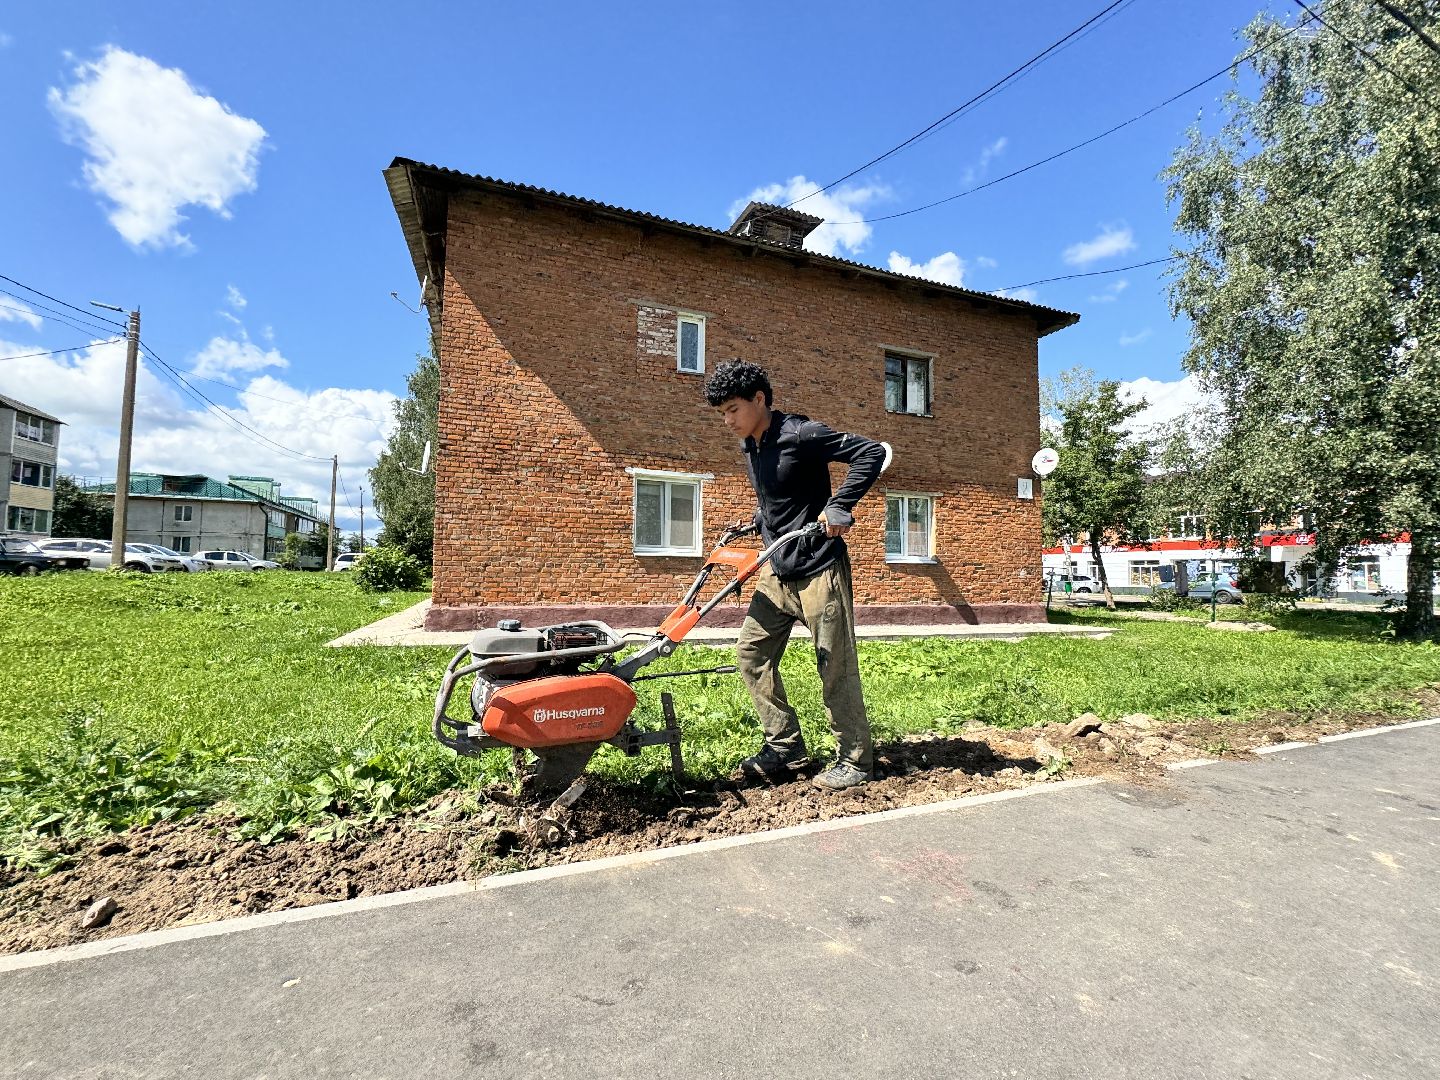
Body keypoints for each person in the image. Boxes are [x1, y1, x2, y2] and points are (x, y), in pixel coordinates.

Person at [703, 359, 887, 791]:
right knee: (751, 653)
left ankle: (856, 760)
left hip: (820, 569)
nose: (728, 420)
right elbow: (780, 496)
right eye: (722, 413)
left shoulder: (801, 433)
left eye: (733, 409)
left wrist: (839, 505)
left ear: (759, 399)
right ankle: (785, 744)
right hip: (778, 568)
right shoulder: (751, 444)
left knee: (833, 665)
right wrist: (758, 521)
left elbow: (871, 453)